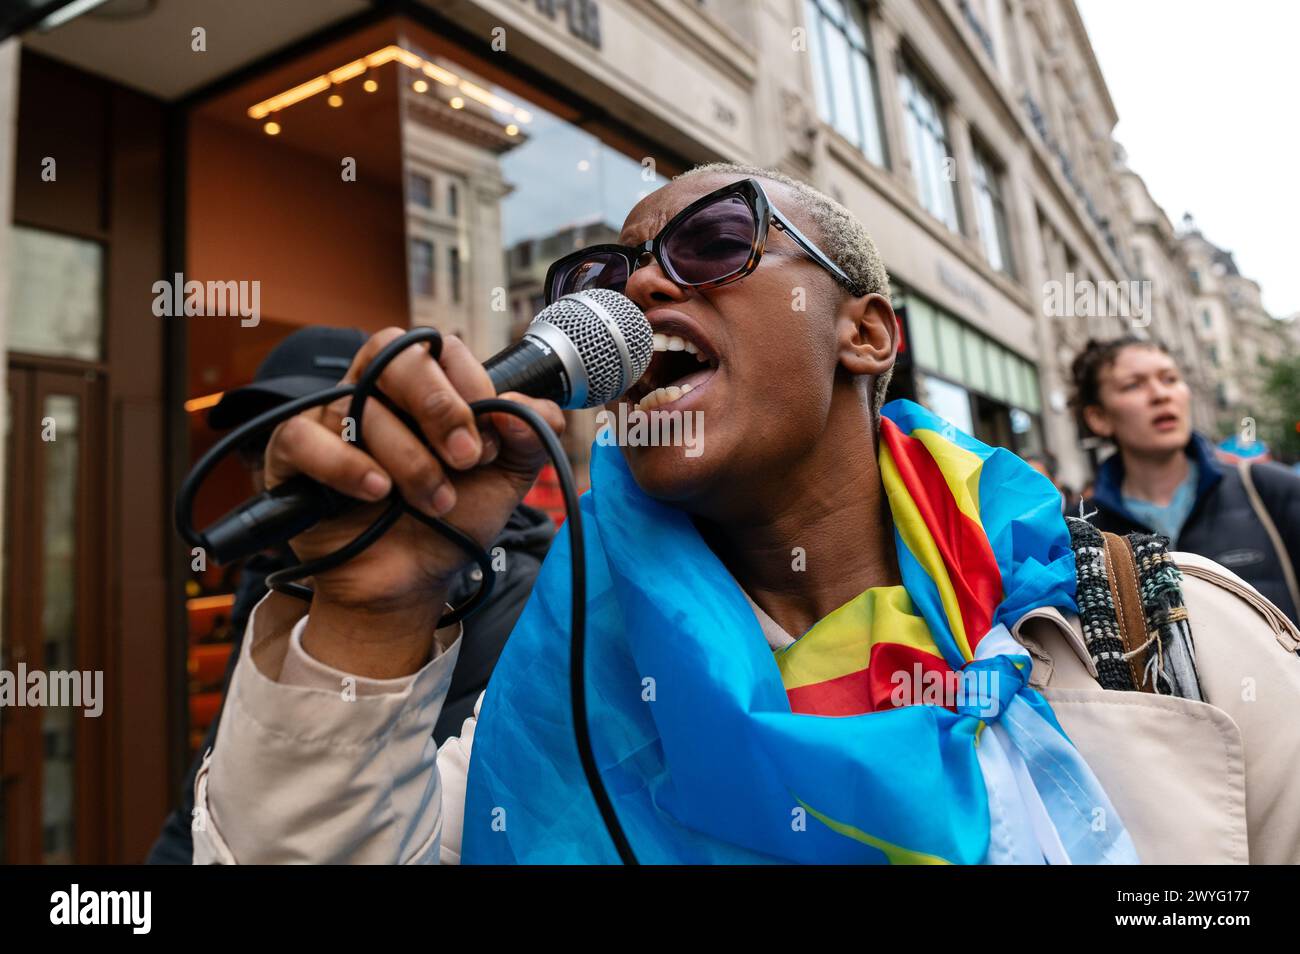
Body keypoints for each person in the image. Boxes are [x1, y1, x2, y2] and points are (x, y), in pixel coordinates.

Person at [193, 165, 1300, 865]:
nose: (630, 297)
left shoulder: (1163, 637)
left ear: (865, 335)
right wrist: (371, 620)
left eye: (715, 242)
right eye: (598, 277)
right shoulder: (563, 696)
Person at [147, 326, 554, 864]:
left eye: (321, 427)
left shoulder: (517, 603)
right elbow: (205, 811)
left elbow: (406, 823)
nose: (282, 460)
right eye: (257, 441)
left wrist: (374, 622)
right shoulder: (272, 583)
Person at [1072, 336, 1300, 624]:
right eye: (1133, 385)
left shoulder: (1269, 490)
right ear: (1098, 417)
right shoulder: (1081, 533)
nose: (1160, 394)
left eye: (1170, 379)